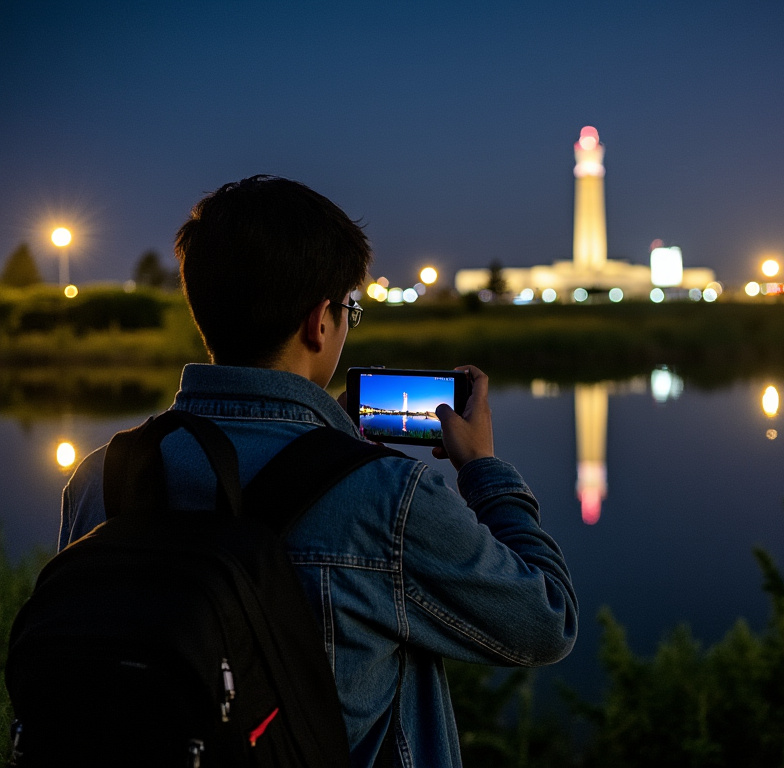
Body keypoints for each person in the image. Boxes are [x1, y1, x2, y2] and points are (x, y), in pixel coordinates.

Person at [57, 175, 578, 767]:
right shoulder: (388, 496)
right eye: (350, 309)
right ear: (319, 322)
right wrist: (484, 469)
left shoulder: (101, 478)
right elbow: (547, 621)